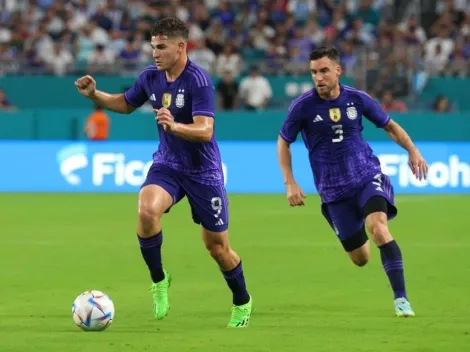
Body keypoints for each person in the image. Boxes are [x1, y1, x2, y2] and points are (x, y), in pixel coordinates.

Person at [74, 17, 252, 328]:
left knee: (218, 249)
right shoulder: (150, 77)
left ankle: (242, 301)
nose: (154, 53)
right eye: (152, 47)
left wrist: (175, 125)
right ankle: (159, 280)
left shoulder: (198, 81)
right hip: (168, 163)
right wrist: (95, 95)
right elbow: (126, 104)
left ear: (181, 47)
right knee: (146, 209)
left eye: (161, 47)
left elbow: (206, 130)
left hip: (203, 172)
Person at [277, 46, 428, 317]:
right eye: (313, 72)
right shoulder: (302, 107)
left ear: (337, 70)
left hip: (365, 175)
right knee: (361, 259)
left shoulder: (358, 99)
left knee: (379, 229)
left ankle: (401, 299)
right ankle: (360, 234)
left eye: (324, 71)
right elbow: (283, 142)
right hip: (333, 191)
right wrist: (290, 182)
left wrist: (413, 150)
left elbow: (390, 126)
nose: (318, 77)